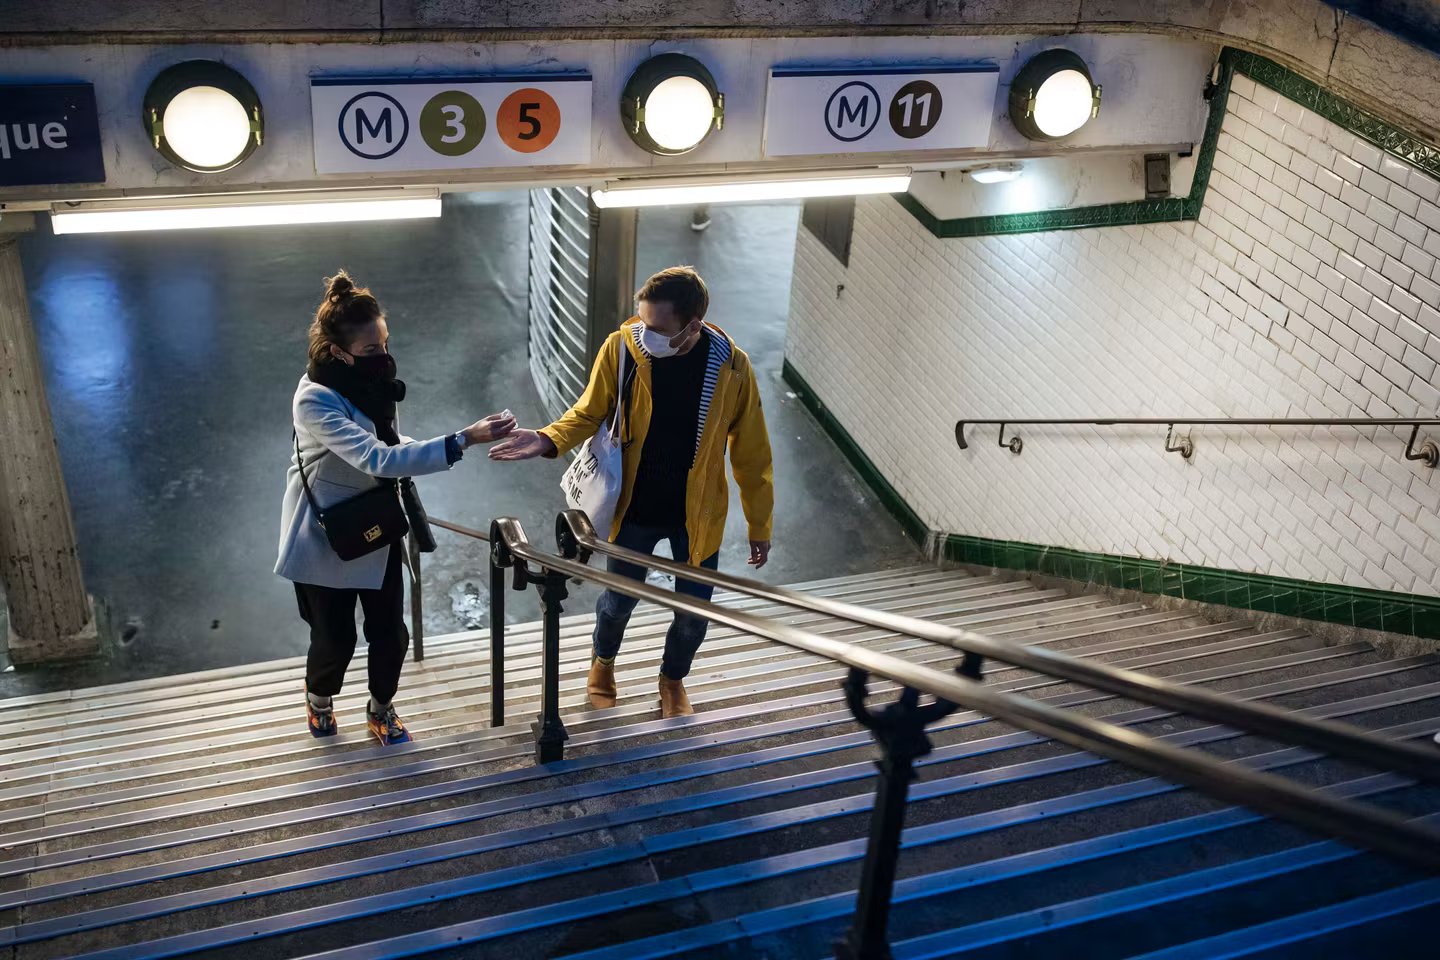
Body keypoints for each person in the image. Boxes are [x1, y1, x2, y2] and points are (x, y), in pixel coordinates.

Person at [490, 266, 774, 718]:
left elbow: (752, 453)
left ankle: (672, 680)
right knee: (618, 602)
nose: (646, 335)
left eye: (658, 329)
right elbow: (589, 412)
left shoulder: (732, 369)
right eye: (642, 322)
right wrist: (547, 438)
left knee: (693, 614)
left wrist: (760, 524)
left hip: (696, 514)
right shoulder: (622, 348)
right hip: (633, 508)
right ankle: (602, 662)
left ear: (693, 325)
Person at [276, 271, 515, 744]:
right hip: (328, 532)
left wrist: (439, 445)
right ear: (337, 351)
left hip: (376, 523)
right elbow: (376, 458)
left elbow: (386, 441)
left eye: (385, 343)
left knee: (391, 633)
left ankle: (381, 707)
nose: (384, 356)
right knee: (334, 639)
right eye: (371, 348)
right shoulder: (314, 399)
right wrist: (461, 440)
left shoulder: (370, 381)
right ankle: (319, 699)